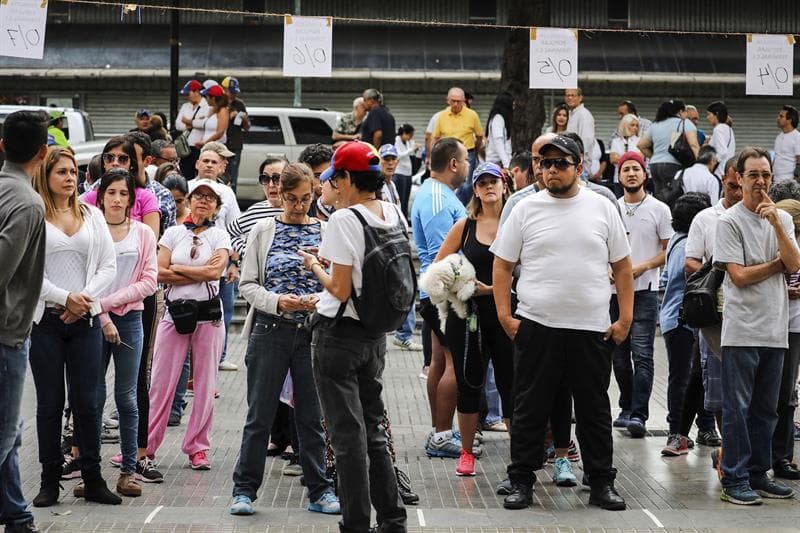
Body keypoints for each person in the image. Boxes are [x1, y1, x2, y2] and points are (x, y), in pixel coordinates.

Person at [491, 135, 632, 511]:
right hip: (537, 325)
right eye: (545, 163)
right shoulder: (525, 208)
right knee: (529, 407)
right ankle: (522, 480)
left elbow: (622, 266)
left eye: (560, 163)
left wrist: (625, 319)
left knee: (593, 409)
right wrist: (504, 315)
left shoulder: (602, 207)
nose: (551, 170)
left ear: (579, 167)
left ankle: (601, 481)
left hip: (591, 327)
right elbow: (502, 265)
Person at [299, 140, 407, 532]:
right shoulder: (391, 211)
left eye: (334, 178)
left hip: (337, 337)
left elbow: (340, 289)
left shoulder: (345, 219)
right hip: (373, 336)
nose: (330, 186)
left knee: (347, 438)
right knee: (373, 430)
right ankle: (392, 519)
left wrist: (315, 266)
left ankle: (356, 524)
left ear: (347, 178)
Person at [229, 163, 340, 517]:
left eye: (305, 198)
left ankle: (320, 489)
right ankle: (244, 490)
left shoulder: (326, 230)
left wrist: (317, 300)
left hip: (312, 332)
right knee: (259, 416)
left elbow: (337, 284)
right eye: (291, 199)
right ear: (280, 194)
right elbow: (247, 284)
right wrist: (277, 301)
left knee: (311, 416)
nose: (298, 206)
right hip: (270, 329)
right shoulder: (264, 230)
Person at [30, 146, 120, 507]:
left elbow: (109, 265)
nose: (70, 178)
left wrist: (82, 299)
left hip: (85, 321)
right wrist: (63, 297)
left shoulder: (92, 214)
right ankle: (49, 479)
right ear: (46, 176)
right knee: (49, 404)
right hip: (46, 323)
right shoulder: (34, 216)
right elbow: (26, 271)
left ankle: (92, 477)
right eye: (61, 172)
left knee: (88, 402)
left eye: (73, 172)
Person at [714, 146, 800, 505]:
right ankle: (734, 477)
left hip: (775, 330)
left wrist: (777, 224)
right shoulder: (728, 221)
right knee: (738, 409)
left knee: (767, 409)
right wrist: (777, 265)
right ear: (739, 177)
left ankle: (758, 474)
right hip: (742, 331)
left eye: (766, 174)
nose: (761, 181)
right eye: (753, 175)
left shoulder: (783, 220)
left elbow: (794, 263)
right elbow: (739, 276)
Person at [433, 162, 513, 477]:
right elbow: (438, 269)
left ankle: (519, 457)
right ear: (476, 190)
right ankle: (466, 453)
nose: (488, 187)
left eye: (494, 181)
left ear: (504, 186)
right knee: (468, 383)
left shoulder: (515, 223)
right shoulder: (465, 226)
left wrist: (492, 290)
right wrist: (466, 284)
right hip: (469, 317)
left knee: (511, 384)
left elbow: (531, 268)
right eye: (482, 183)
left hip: (507, 315)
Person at [146, 178, 231, 473]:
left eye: (210, 198)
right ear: (189, 201)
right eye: (198, 196)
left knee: (205, 385)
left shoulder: (220, 236)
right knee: (160, 383)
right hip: (175, 313)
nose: (203, 201)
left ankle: (198, 448)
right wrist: (198, 271)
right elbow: (159, 272)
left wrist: (179, 268)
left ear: (217, 206)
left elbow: (215, 272)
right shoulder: (172, 233)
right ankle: (146, 446)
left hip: (209, 315)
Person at [94, 170, 158, 498]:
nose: (117, 199)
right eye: (111, 193)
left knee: (127, 398)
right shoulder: (92, 231)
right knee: (91, 397)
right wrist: (102, 314)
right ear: (101, 197)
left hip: (131, 320)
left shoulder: (143, 233)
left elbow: (149, 281)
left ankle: (129, 471)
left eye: (123, 193)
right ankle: (90, 472)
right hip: (93, 321)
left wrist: (109, 303)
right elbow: (86, 280)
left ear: (132, 198)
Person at [0, 109, 47, 533]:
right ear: (43, 152)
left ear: (2, 146)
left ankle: (16, 514)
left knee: (10, 432)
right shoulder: (28, 203)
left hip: (11, 333)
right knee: (3, 434)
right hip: (6, 334)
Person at [411, 138, 469, 458]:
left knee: (439, 359)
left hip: (440, 292)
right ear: (453, 164)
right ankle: (442, 434)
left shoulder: (441, 194)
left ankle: (440, 430)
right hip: (444, 293)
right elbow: (441, 255)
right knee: (453, 363)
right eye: (466, 159)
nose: (468, 166)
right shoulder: (436, 197)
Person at [611, 151, 673, 437]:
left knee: (643, 355)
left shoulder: (659, 209)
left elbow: (668, 249)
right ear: (619, 176)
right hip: (613, 293)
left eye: (636, 168)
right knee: (619, 357)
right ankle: (626, 406)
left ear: (645, 174)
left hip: (645, 292)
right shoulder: (611, 208)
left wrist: (644, 266)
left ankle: (639, 415)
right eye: (626, 169)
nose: (631, 173)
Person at [658, 192, 714, 456]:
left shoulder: (676, 241)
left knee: (696, 377)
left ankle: (704, 427)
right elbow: (685, 274)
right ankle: (676, 431)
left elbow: (666, 278)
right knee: (683, 378)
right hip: (681, 321)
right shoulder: (684, 246)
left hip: (677, 318)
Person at [772, 198, 800, 480]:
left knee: (786, 394)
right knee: (783, 395)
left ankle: (782, 456)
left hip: (792, 325)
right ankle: (780, 456)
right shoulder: (778, 243)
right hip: (782, 324)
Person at [638, 99, 700, 203]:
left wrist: (654, 156)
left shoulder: (655, 124)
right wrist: (699, 164)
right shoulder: (685, 123)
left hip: (655, 166)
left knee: (659, 198)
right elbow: (694, 145)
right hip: (674, 165)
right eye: (685, 111)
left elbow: (641, 145)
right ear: (680, 111)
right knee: (674, 198)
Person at [227, 157, 288, 260]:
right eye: (265, 179)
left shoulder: (298, 211)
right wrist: (245, 251)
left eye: (277, 178)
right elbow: (228, 233)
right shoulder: (255, 211)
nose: (271, 185)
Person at [432, 87, 484, 203]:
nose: (456, 104)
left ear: (464, 101)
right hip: (447, 154)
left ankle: (459, 206)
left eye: (459, 101)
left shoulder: (472, 115)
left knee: (466, 185)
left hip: (467, 153)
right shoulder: (442, 116)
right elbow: (435, 138)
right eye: (453, 101)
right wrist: (432, 157)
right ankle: (450, 204)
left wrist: (475, 150)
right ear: (448, 100)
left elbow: (480, 136)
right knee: (446, 182)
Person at [176, 79, 208, 180]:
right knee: (185, 173)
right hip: (186, 146)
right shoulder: (185, 106)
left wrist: (188, 121)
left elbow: (204, 124)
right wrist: (192, 124)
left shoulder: (206, 106)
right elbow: (178, 124)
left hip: (200, 145)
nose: (187, 97)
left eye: (188, 93)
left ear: (196, 92)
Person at [221, 76, 250, 190]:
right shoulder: (219, 103)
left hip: (235, 144)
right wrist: (229, 116)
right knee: (221, 174)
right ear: (224, 89)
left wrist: (244, 119)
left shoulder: (239, 104)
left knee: (233, 176)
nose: (233, 95)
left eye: (235, 92)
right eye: (231, 92)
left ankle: (232, 195)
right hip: (222, 144)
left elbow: (247, 127)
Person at [608, 113, 641, 195]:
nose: (635, 128)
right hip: (618, 179)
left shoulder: (640, 141)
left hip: (635, 178)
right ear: (625, 125)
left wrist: (621, 158)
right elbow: (612, 159)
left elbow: (640, 158)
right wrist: (631, 157)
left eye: (637, 125)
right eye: (632, 125)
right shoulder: (616, 141)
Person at [393, 123, 419, 218]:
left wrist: (414, 150)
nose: (411, 137)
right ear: (403, 133)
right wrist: (411, 149)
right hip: (400, 173)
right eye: (410, 135)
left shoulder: (408, 142)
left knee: (405, 201)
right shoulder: (396, 140)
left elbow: (410, 155)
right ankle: (398, 218)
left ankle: (404, 219)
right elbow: (398, 155)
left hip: (408, 173)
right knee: (400, 199)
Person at [564, 88, 595, 163]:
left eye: (573, 95)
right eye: (567, 95)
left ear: (580, 98)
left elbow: (587, 140)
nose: (570, 98)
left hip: (579, 161)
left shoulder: (584, 114)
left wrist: (579, 160)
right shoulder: (571, 114)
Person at [706, 101, 735, 181]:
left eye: (709, 114)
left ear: (716, 114)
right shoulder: (729, 129)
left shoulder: (718, 129)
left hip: (718, 173)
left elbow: (722, 152)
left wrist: (711, 166)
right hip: (726, 172)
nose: (707, 117)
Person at [485, 91, 513, 168]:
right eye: (512, 104)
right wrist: (506, 164)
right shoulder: (497, 119)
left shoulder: (502, 119)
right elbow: (498, 142)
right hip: (496, 163)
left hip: (500, 162)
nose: (513, 107)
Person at [773, 105, 800, 182]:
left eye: (781, 116)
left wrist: (796, 180)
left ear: (789, 120)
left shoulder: (797, 137)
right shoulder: (779, 137)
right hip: (775, 180)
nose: (778, 118)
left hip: (789, 181)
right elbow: (777, 157)